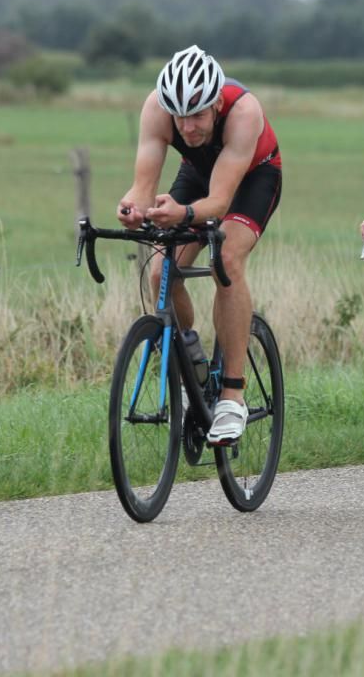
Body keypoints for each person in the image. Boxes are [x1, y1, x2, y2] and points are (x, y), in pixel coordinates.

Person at [118, 45, 282, 445]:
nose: (188, 128)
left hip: (253, 178)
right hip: (197, 175)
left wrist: (182, 213)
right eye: (180, 117)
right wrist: (132, 209)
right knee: (161, 271)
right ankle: (191, 358)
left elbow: (219, 203)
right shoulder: (156, 109)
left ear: (215, 104)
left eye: (197, 115)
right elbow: (143, 186)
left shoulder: (243, 112)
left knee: (226, 259)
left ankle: (232, 396)